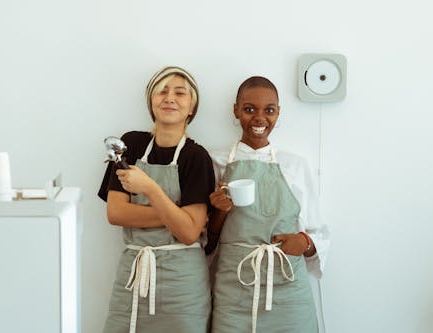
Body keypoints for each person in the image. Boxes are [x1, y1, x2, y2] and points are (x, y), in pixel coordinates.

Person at [205, 76, 330, 333]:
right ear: (236, 110)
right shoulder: (214, 162)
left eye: (269, 110)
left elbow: (318, 232)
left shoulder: (295, 164)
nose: (259, 118)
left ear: (278, 113)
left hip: (288, 288)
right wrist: (219, 211)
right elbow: (205, 239)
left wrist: (304, 243)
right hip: (234, 288)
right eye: (249, 109)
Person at [98, 66, 215, 333]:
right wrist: (178, 216)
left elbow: (188, 233)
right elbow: (116, 213)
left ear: (191, 108)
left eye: (180, 93)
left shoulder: (197, 158)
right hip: (134, 276)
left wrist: (150, 188)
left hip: (183, 285)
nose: (169, 98)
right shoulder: (130, 145)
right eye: (161, 91)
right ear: (151, 102)